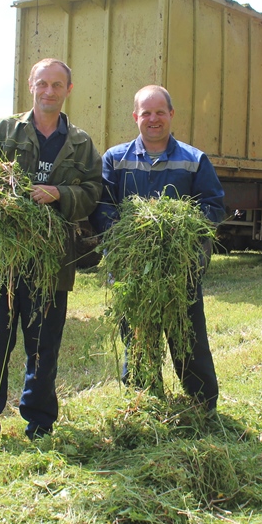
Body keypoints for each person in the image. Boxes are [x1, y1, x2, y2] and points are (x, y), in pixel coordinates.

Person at [0, 58, 102, 460]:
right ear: (31, 86)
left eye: (58, 85)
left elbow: (93, 192)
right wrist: (9, 197)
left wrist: (60, 194)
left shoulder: (81, 143)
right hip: (1, 263)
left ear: (68, 90)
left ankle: (40, 425)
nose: (49, 91)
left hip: (51, 264)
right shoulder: (2, 131)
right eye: (43, 84)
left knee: (43, 350)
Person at [92, 84, 226, 411]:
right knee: (138, 340)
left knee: (188, 340)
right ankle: (144, 403)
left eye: (160, 112)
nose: (153, 119)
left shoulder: (194, 160)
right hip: (131, 271)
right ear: (136, 116)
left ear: (171, 115)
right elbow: (102, 208)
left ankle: (202, 406)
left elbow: (214, 206)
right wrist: (128, 241)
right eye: (146, 113)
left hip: (181, 270)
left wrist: (179, 227)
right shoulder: (115, 158)